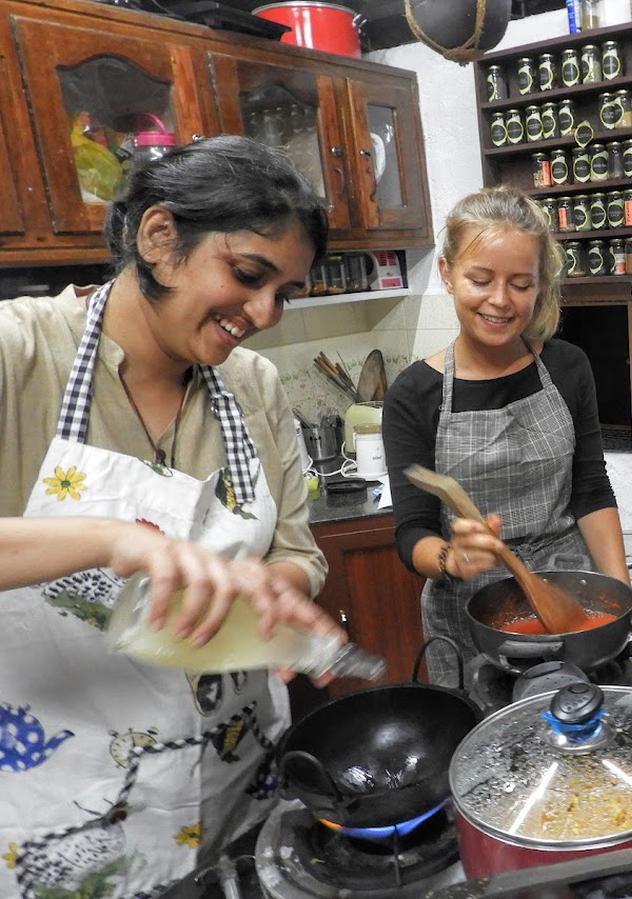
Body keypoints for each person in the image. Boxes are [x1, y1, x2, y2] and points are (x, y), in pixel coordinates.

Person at [0, 136, 341, 898]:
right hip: (68, 811)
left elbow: (295, 545)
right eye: (249, 275)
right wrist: (110, 538)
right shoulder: (19, 352)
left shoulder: (250, 383)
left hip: (235, 784)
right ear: (160, 238)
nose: (263, 314)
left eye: (283, 292)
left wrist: (275, 586)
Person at [383, 186, 632, 684]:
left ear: (540, 285)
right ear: (447, 275)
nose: (500, 301)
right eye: (481, 279)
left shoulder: (567, 367)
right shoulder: (414, 394)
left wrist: (619, 604)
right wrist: (450, 558)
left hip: (571, 593)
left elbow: (590, 491)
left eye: (521, 284)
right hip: (471, 612)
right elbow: (411, 532)